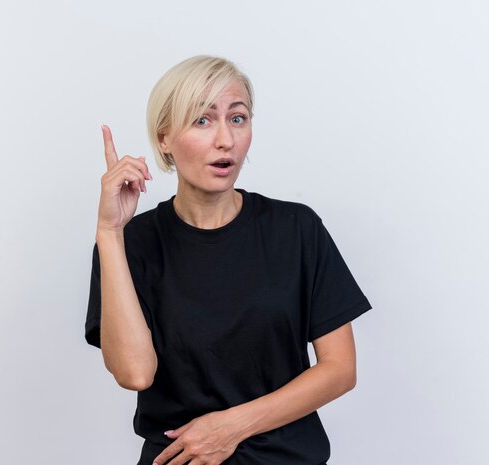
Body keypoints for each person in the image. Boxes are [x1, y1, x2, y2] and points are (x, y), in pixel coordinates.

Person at [85, 55, 373, 465]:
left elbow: (340, 369)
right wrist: (109, 233)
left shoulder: (296, 229)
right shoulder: (132, 243)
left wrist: (232, 427)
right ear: (164, 138)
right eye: (203, 120)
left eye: (237, 118)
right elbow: (135, 373)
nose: (226, 139)